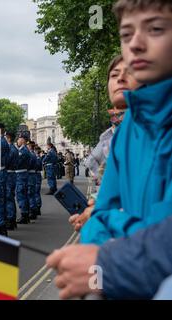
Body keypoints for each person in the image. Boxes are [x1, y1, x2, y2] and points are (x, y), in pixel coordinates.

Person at [49, 0, 172, 298]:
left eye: (155, 29)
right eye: (126, 34)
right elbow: (100, 214)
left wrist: (106, 264)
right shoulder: (128, 129)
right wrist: (104, 268)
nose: (136, 45)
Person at [70, 54, 139, 232]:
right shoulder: (113, 136)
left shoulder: (152, 131)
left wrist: (101, 214)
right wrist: (97, 208)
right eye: (114, 75)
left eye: (130, 72)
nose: (120, 78)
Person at [15, 133, 31, 224]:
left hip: (21, 174)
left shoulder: (23, 151)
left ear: (23, 140)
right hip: (21, 174)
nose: (17, 141)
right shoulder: (22, 150)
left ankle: (24, 215)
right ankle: (25, 215)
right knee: (22, 195)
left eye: (19, 139)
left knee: (21, 195)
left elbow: (17, 162)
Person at [4, 131, 19, 230]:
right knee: (9, 197)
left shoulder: (11, 149)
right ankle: (11, 219)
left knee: (9, 197)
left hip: (9, 174)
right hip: (10, 174)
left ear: (8, 138)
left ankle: (10, 219)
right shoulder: (12, 148)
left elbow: (6, 161)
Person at [27, 141, 38, 220]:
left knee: (30, 194)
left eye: (28, 145)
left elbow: (29, 164)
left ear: (30, 146)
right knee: (32, 194)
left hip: (30, 175)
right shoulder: (33, 154)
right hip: (32, 175)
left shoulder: (31, 154)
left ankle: (32, 211)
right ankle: (33, 210)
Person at [34, 146, 44, 216]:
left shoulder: (37, 158)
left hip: (36, 175)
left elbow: (38, 167)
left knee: (36, 192)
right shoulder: (37, 157)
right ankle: (37, 207)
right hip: (36, 175)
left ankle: (37, 208)